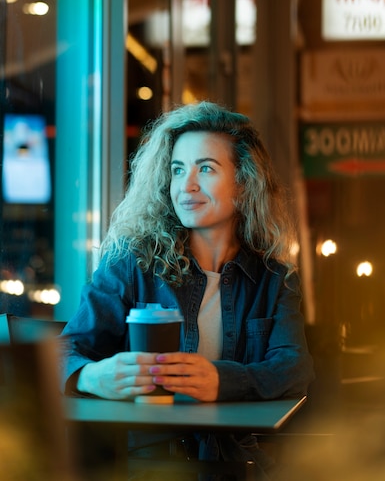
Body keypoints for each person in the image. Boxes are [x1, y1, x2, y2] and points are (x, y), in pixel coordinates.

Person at [60, 101, 314, 479]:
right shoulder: (133, 262)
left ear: (244, 184)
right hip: (142, 465)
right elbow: (64, 352)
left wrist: (222, 380)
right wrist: (93, 376)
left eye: (205, 169)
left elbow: (294, 369)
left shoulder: (273, 277)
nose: (187, 185)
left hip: (235, 465)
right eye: (178, 170)